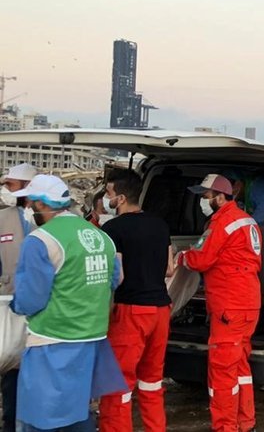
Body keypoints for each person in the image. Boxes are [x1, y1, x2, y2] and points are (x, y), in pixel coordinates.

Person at [11, 174, 126, 431]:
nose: (28, 209)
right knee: (76, 411)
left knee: (38, 418)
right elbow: (115, 279)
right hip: (91, 339)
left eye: (30, 203)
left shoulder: (40, 240)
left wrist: (14, 306)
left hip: (51, 340)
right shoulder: (101, 237)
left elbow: (30, 299)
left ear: (41, 204)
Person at [177, 174, 262, 432]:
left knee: (222, 372)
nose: (203, 202)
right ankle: (246, 423)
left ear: (220, 197)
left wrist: (181, 257)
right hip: (248, 303)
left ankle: (225, 427)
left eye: (206, 197)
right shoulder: (247, 221)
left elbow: (201, 259)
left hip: (230, 305)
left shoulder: (222, 222)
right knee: (239, 367)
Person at [98, 170, 175, 432]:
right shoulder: (160, 225)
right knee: (151, 381)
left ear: (119, 198)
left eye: (108, 194)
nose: (106, 198)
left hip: (131, 311)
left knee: (118, 383)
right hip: (161, 311)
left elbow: (116, 277)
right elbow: (170, 270)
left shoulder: (112, 229)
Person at [0, 163, 36, 432]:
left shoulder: (51, 218)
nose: (5, 189)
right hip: (8, 309)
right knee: (11, 375)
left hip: (42, 314)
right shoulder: (3, 218)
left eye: (10, 185)